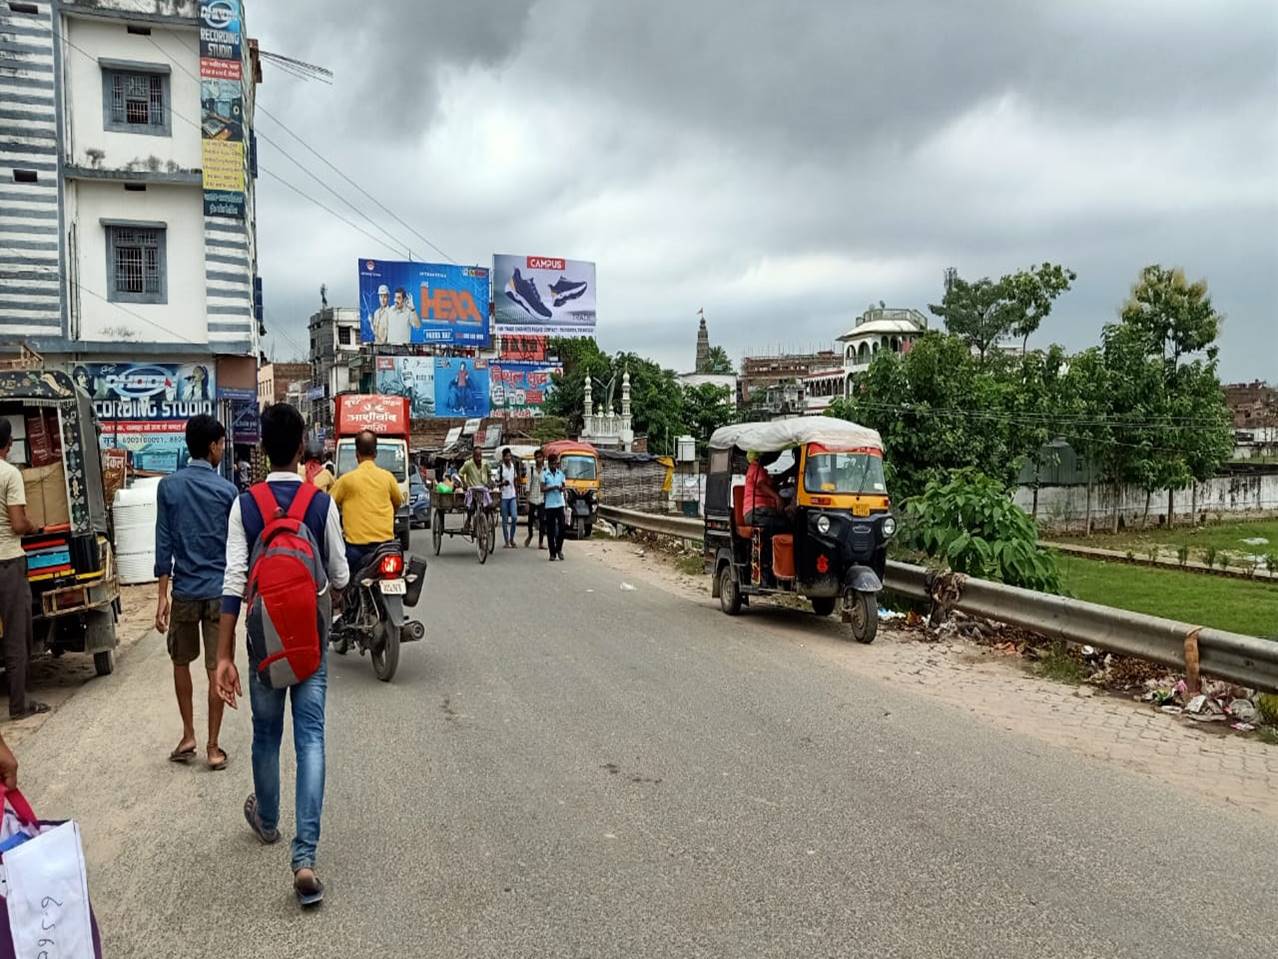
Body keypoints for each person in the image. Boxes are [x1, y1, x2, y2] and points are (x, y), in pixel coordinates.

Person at [214, 403, 350, 906]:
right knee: (310, 738)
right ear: (300, 450)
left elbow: (232, 583)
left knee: (266, 734)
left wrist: (224, 655)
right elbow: (338, 575)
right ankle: (306, 858)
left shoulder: (244, 505)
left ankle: (267, 821)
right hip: (311, 641)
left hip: (262, 641)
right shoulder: (320, 503)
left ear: (262, 449)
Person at [154, 414, 238, 770]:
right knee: (216, 666)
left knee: (180, 662)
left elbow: (164, 543)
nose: (222, 449)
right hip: (220, 592)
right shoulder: (228, 491)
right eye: (220, 444)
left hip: (185, 590)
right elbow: (236, 549)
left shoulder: (168, 488)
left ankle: (188, 733)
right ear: (212, 447)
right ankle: (213, 746)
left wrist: (162, 595)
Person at [0, 419, 46, 719]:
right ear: (9, 444)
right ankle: (19, 706)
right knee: (17, 637)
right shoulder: (10, 474)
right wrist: (35, 526)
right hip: (7, 563)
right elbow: (17, 524)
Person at [328, 430, 403, 574]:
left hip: (356, 550)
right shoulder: (388, 478)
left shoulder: (346, 480)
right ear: (376, 453)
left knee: (342, 584)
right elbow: (397, 502)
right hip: (386, 548)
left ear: (356, 454)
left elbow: (328, 504)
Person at [743, 450, 793, 533]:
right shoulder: (755, 468)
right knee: (787, 525)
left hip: (762, 511)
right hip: (757, 513)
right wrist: (777, 498)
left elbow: (773, 482)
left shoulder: (760, 470)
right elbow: (761, 485)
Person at [541, 451, 567, 562]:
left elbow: (564, 487)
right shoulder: (545, 474)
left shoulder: (560, 474)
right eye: (553, 463)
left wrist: (562, 488)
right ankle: (552, 553)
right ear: (549, 464)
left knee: (562, 528)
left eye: (556, 463)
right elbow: (542, 489)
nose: (554, 465)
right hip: (550, 505)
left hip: (560, 503)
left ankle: (559, 549)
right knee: (551, 530)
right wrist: (552, 487)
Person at [497, 447, 520, 548]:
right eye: (506, 456)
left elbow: (515, 481)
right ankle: (507, 541)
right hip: (504, 496)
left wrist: (517, 495)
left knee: (514, 517)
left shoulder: (513, 467)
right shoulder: (500, 468)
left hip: (512, 495)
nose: (508, 458)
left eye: (509, 456)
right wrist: (502, 483)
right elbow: (497, 483)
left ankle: (512, 538)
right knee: (505, 521)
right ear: (503, 457)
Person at [525, 448, 546, 549]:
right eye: (537, 457)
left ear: (543, 458)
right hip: (532, 498)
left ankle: (540, 542)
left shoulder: (546, 471)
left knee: (542, 521)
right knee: (530, 520)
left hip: (542, 499)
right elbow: (528, 485)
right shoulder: (531, 470)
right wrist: (527, 502)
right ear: (535, 459)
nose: (539, 459)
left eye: (540, 457)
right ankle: (530, 535)